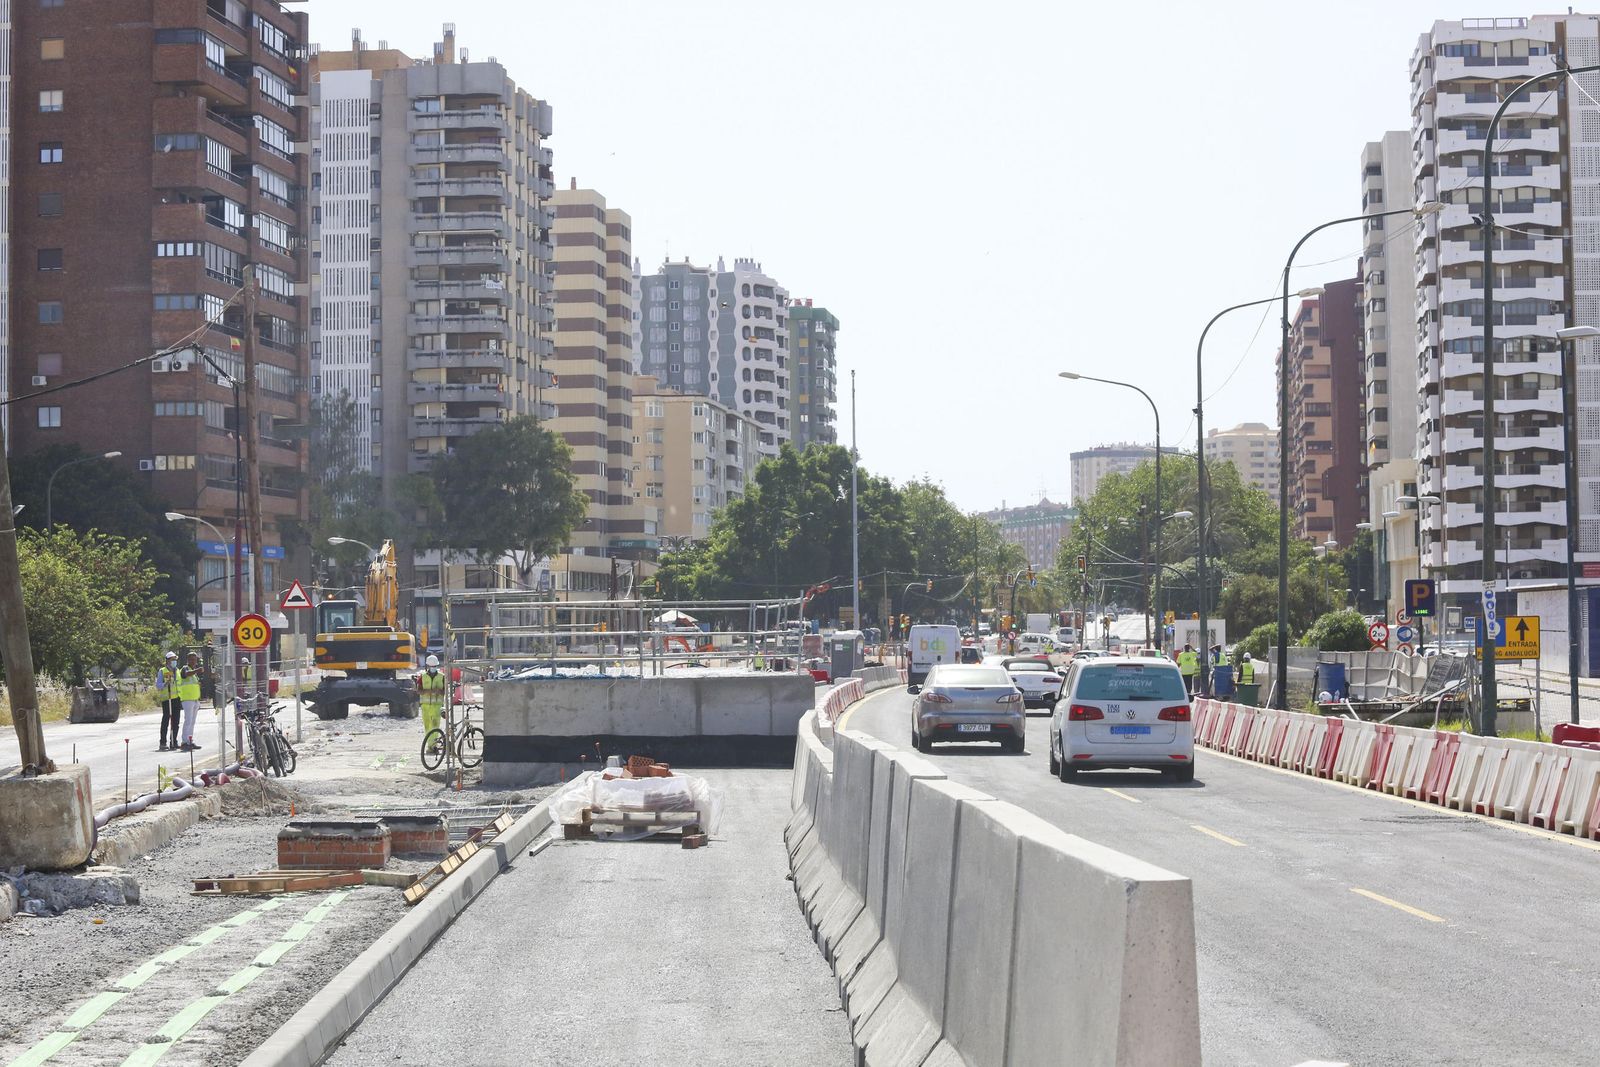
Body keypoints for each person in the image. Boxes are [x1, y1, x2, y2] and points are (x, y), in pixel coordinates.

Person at [156, 651, 182, 752]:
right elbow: (158, 685)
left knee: (176, 721)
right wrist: (165, 684)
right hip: (167, 699)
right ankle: (163, 742)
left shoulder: (177, 671)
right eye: (172, 660)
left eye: (175, 659)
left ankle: (173, 741)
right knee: (166, 721)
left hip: (176, 698)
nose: (174, 661)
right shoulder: (162, 671)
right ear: (167, 661)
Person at [178, 651, 204, 750]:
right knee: (188, 721)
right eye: (191, 659)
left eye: (195, 659)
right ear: (188, 660)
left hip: (194, 699)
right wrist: (197, 670)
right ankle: (185, 742)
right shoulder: (185, 668)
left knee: (192, 721)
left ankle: (190, 740)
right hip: (187, 699)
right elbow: (185, 675)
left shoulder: (194, 672)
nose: (193, 661)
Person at [418, 654, 447, 739]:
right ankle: (430, 746)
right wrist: (428, 691)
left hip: (437, 706)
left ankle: (433, 745)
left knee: (435, 726)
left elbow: (446, 691)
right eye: (431, 666)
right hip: (425, 707)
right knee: (427, 727)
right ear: (428, 666)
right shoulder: (422, 677)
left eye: (434, 666)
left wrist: (440, 691)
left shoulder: (442, 677)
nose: (432, 668)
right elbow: (418, 690)